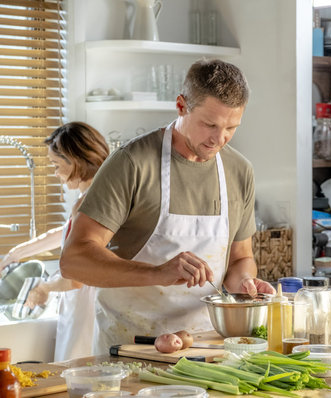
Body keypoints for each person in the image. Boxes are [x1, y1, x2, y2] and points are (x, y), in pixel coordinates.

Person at [60, 59, 275, 354]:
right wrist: (156, 273)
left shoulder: (239, 170)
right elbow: (74, 260)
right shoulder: (132, 163)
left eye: (231, 127)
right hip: (131, 350)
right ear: (181, 106)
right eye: (209, 124)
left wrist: (246, 284)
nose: (219, 139)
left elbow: (240, 259)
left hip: (206, 351)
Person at [0, 122, 109, 361]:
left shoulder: (90, 202)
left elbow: (78, 277)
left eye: (56, 165)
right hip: (84, 309)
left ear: (76, 161)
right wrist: (19, 251)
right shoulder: (96, 196)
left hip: (87, 315)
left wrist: (44, 288)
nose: (55, 173)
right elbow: (69, 232)